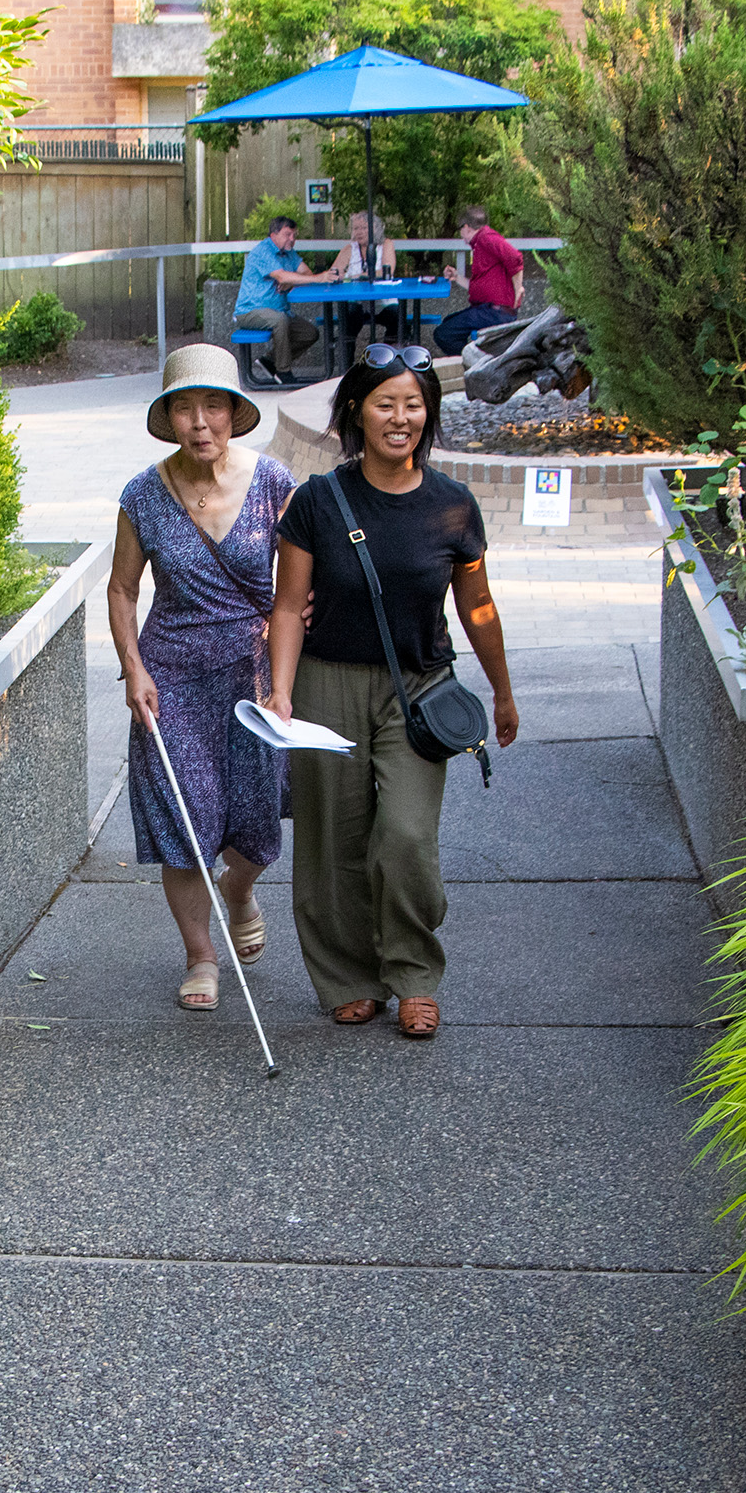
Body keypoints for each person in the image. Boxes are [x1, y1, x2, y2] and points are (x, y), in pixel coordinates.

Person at [263, 343, 519, 1040]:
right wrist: (280, 692)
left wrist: (501, 691)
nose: (400, 417)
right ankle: (349, 976)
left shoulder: (453, 506)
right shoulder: (318, 500)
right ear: (356, 411)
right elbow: (288, 606)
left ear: (429, 414)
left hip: (418, 686)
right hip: (326, 683)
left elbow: (478, 607)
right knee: (333, 838)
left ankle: (411, 973)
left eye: (413, 404)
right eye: (385, 403)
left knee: (404, 836)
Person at [108, 344, 298, 1011]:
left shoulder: (275, 482)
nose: (200, 422)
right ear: (168, 415)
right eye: (185, 407)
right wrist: (133, 669)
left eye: (213, 405)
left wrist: (282, 686)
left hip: (250, 675)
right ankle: (200, 954)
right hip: (173, 677)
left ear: (234, 411)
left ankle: (239, 889)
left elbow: (294, 595)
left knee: (256, 821)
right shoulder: (142, 493)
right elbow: (123, 591)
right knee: (185, 820)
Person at [233, 216, 325, 384]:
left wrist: (290, 281)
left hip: (280, 311)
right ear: (273, 235)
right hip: (249, 311)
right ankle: (283, 373)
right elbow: (282, 276)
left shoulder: (289, 253)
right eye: (288, 234)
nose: (292, 239)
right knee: (279, 320)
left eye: (294, 235)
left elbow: (307, 274)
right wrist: (319, 278)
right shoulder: (263, 252)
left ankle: (270, 361)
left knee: (310, 333)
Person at [432, 204, 524, 357]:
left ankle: (474, 363)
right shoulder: (481, 243)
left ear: (466, 227)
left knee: (444, 334)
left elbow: (515, 258)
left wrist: (518, 288)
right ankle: (475, 360)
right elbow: (480, 287)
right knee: (448, 323)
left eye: (460, 230)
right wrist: (457, 277)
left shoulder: (486, 238)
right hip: (489, 310)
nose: (461, 235)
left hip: (495, 312)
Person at [324, 210, 403, 345]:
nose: (359, 232)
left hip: (383, 302)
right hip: (356, 301)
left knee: (398, 318)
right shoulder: (349, 249)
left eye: (364, 228)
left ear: (375, 229)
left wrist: (358, 276)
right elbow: (333, 273)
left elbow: (386, 271)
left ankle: (385, 356)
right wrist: (339, 275)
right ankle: (347, 363)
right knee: (348, 319)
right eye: (356, 228)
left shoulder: (386, 245)